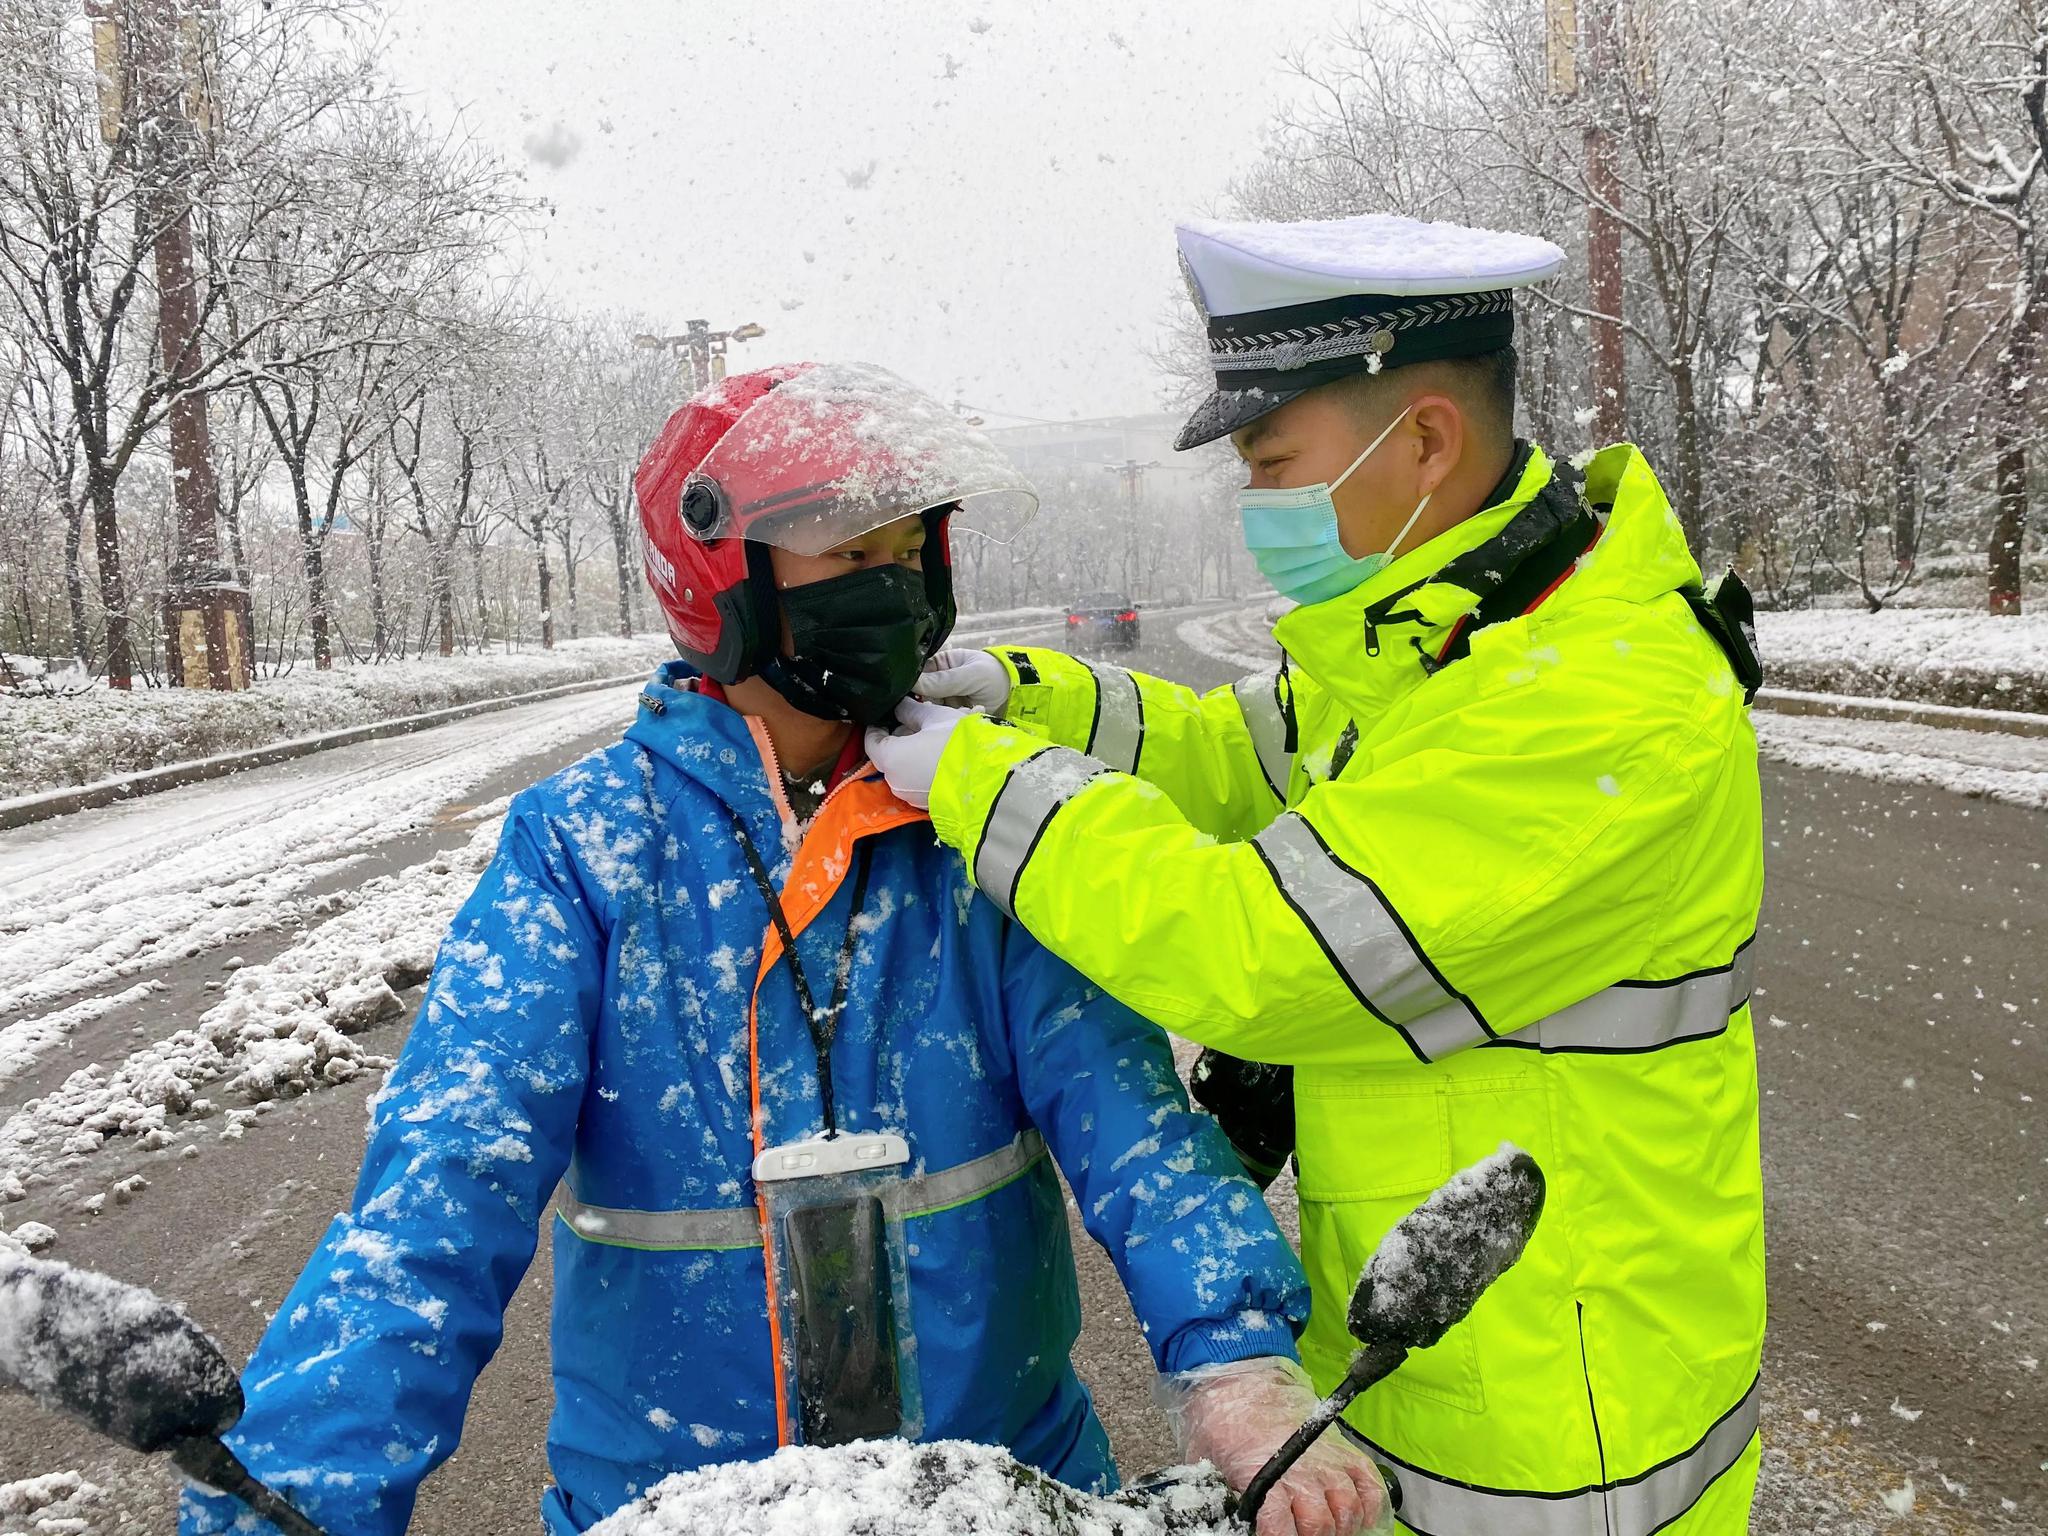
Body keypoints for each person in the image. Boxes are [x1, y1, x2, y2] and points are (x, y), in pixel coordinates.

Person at [179, 362, 1387, 1536]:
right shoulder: (588, 849)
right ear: (723, 576)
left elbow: (1131, 1127)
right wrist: (296, 1492)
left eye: (912, 549)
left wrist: (1237, 1362)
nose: (896, 584)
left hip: (1000, 1495)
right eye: (852, 553)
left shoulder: (983, 822)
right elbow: (442, 1190)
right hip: (670, 1509)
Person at [866, 216, 1769, 1535]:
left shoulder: (1588, 704)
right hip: (1466, 1353)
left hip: (1569, 1443)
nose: (1255, 506)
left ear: (1423, 441)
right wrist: (1026, 700)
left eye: (1273, 465)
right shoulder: (1454, 636)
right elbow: (1235, 757)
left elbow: (1258, 951)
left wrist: (983, 789)